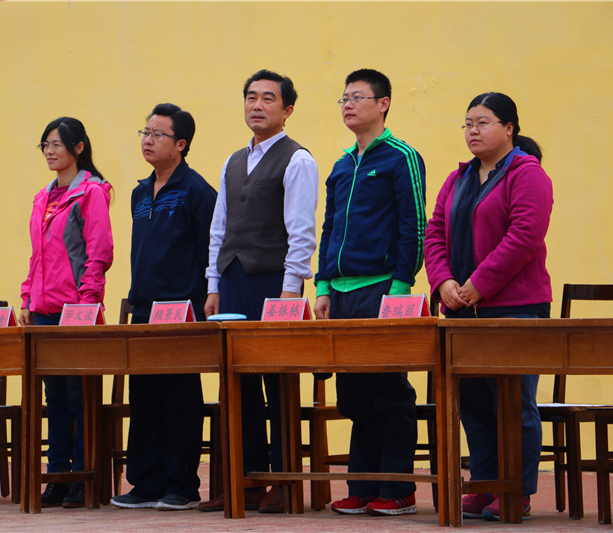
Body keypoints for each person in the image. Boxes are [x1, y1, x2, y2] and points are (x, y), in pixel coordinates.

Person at [424, 92, 553, 521]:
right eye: (468, 124)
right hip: (461, 309)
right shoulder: (457, 178)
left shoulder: (527, 173)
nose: (473, 131)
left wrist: (479, 285)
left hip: (515, 307)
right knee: (475, 402)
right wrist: (443, 282)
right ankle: (484, 482)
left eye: (483, 123)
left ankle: (516, 489)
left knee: (513, 402)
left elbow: (524, 236)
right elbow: (434, 232)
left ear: (509, 128)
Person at [198, 69, 319, 513]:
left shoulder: (298, 159)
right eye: (251, 97)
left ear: (287, 110)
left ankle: (284, 480)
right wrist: (213, 283)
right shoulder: (233, 161)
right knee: (238, 383)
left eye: (269, 98)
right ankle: (246, 480)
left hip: (273, 282)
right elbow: (219, 228)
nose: (257, 105)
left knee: (277, 381)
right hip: (232, 280)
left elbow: (301, 231)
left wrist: (291, 290)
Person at [314, 68, 426, 517]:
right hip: (340, 293)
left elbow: (414, 225)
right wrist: (323, 285)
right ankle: (361, 486)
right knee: (354, 395)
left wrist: (400, 287)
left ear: (383, 104)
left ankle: (398, 488)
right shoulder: (342, 165)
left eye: (357, 97)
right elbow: (329, 228)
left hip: (382, 288)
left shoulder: (402, 157)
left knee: (388, 390)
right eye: (344, 98)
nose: (348, 104)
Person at [110, 103, 217, 511]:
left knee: (179, 400)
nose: (148, 140)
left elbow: (210, 253)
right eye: (146, 132)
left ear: (181, 144)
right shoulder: (140, 193)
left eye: (158, 134)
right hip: (143, 310)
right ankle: (146, 483)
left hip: (180, 312)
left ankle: (181, 485)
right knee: (145, 400)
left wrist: (202, 303)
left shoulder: (198, 192)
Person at [19, 117, 114, 508]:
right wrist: (27, 299)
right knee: (54, 397)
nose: (49, 151)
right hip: (44, 311)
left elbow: (99, 253)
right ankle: (56, 475)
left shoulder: (91, 192)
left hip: (76, 311)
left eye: (56, 144)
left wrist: (87, 304)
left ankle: (81, 476)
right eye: (45, 145)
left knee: (79, 396)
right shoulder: (43, 198)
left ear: (78, 148)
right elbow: (37, 257)